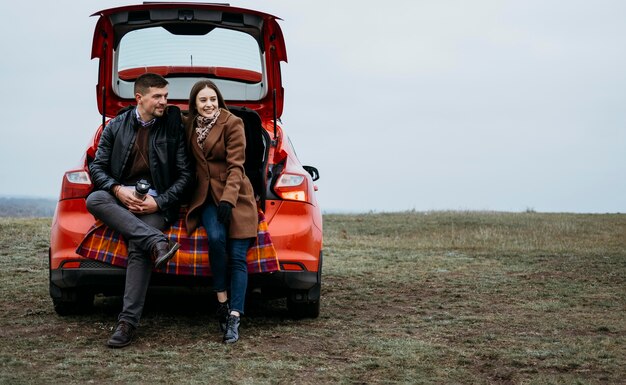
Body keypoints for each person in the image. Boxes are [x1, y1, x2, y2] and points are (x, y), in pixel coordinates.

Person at [86, 73, 192, 348]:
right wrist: (118, 190)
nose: (164, 102)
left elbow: (185, 175)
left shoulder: (172, 126)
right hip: (121, 197)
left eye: (166, 96)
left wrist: (159, 202)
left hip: (156, 202)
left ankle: (127, 323)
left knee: (138, 247)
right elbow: (96, 167)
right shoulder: (116, 126)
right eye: (158, 96)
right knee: (95, 199)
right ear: (139, 98)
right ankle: (157, 241)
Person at [184, 80, 258, 344]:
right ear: (194, 104)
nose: (209, 104)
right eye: (203, 100)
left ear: (219, 100)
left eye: (213, 99)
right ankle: (222, 303)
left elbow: (237, 166)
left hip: (236, 196)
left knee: (238, 256)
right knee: (215, 240)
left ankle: (234, 318)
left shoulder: (232, 123)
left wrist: (228, 200)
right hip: (205, 198)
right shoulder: (190, 125)